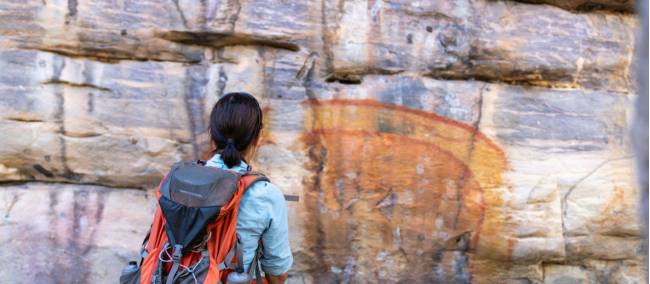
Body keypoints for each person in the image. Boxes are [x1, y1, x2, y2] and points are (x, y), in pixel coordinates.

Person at [205, 92, 292, 283]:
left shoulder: (177, 182)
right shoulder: (265, 194)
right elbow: (277, 274)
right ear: (259, 136)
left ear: (211, 133)